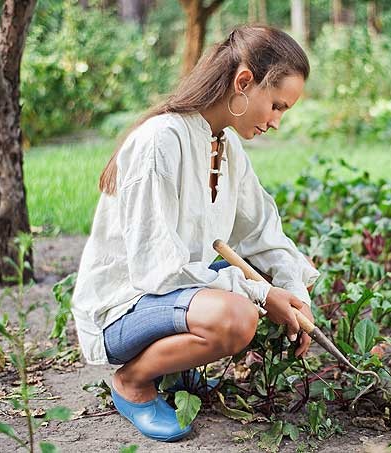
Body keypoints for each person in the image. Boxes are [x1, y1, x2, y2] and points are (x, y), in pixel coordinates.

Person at [70, 25, 319, 442]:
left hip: (170, 299)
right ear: (243, 82)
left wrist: (295, 294)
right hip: (124, 309)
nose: (277, 122)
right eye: (276, 105)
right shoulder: (160, 141)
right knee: (237, 317)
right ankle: (132, 382)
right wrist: (258, 294)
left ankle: (175, 373)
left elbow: (263, 233)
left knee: (263, 276)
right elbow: (156, 272)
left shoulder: (226, 145)